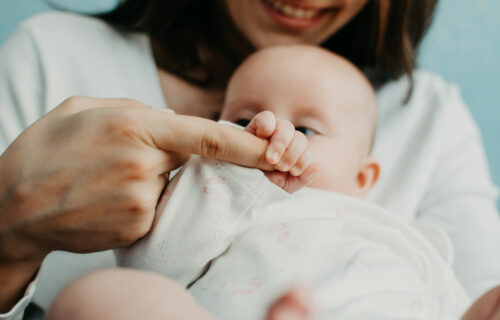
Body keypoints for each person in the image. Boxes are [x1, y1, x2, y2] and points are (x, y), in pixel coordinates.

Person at [0, 0, 499, 318]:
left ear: (365, 176)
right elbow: (155, 262)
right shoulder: (211, 189)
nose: (269, 133)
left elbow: (451, 294)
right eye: (241, 123)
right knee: (102, 297)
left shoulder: (400, 219)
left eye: (304, 130)